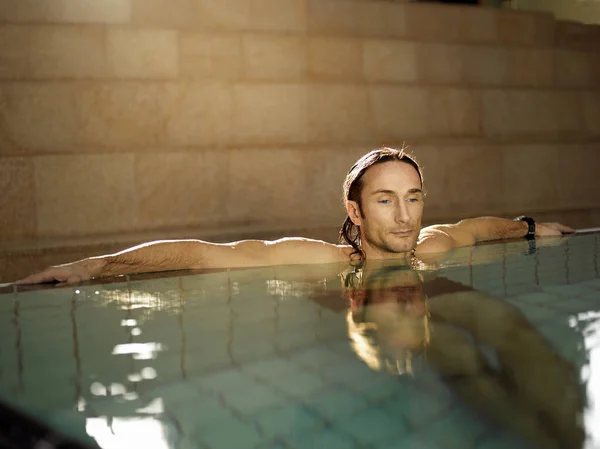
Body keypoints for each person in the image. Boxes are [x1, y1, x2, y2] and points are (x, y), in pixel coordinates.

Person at [14, 147, 574, 285]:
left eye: (413, 197)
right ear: (354, 210)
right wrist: (95, 268)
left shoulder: (431, 246)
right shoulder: (321, 261)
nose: (404, 217)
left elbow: (478, 228)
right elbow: (207, 255)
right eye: (385, 200)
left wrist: (531, 228)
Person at [332, 262, 585, 449]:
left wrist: (529, 228)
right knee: (456, 352)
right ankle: (545, 438)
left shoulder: (422, 246)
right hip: (390, 317)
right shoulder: (348, 259)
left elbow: (469, 231)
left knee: (504, 324)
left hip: (430, 303)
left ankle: (573, 435)